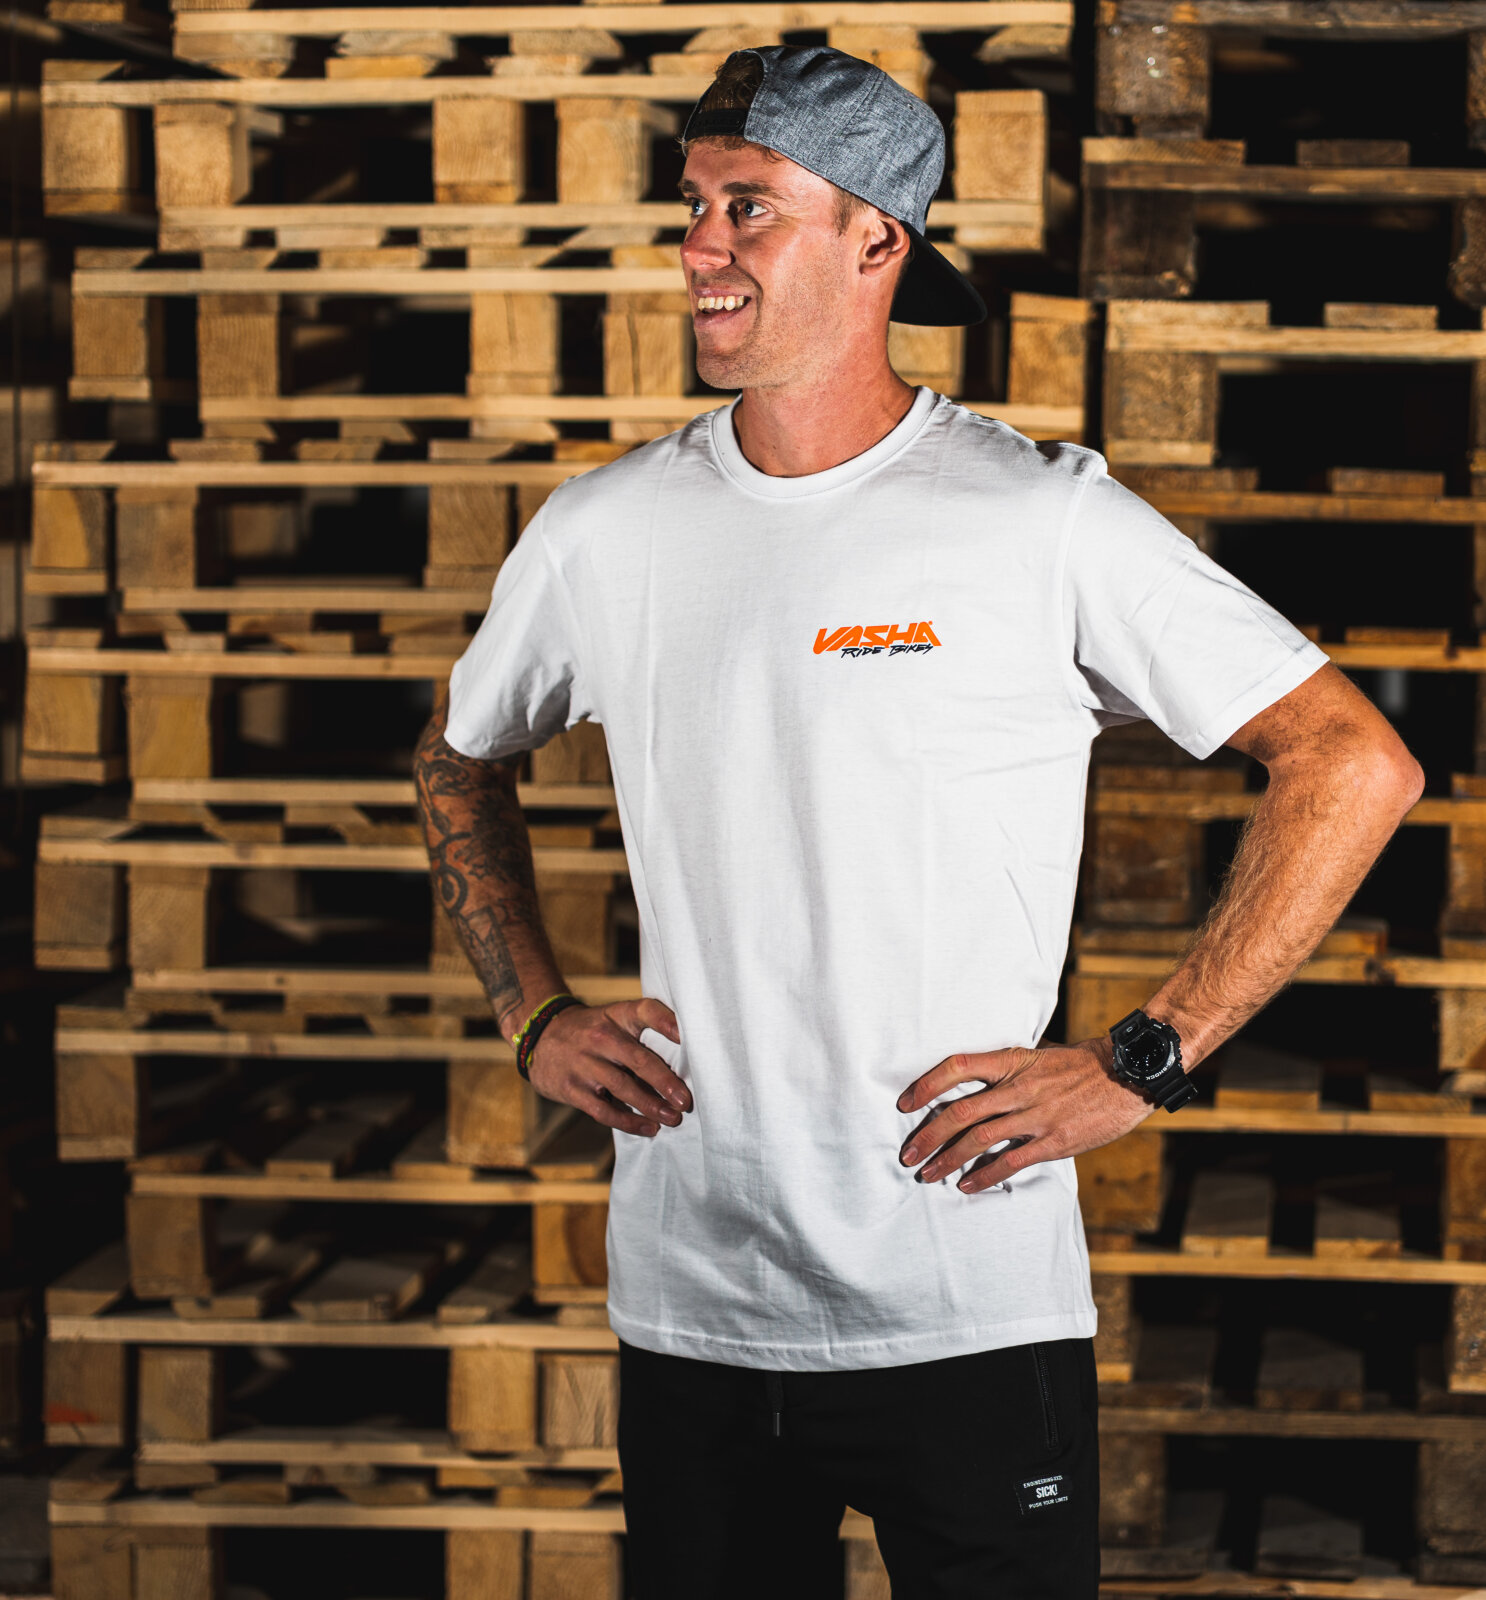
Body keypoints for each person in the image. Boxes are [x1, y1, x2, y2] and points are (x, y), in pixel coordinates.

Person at [414, 44, 1424, 1600]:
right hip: (692, 1306)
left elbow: (1352, 761)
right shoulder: (605, 532)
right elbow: (459, 758)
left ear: (877, 238)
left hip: (965, 1303)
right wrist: (531, 1011)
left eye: (750, 208)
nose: (698, 248)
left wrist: (1145, 1061)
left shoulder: (1035, 518)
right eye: (695, 206)